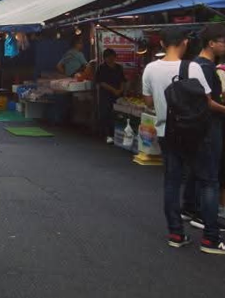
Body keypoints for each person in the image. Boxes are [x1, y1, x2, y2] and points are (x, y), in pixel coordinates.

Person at [142, 27, 225, 254]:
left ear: (161, 44)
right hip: (195, 134)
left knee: (172, 182)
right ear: (185, 43)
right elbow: (207, 102)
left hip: (166, 133)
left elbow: (148, 102)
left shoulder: (150, 69)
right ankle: (210, 239)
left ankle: (176, 234)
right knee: (208, 182)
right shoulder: (193, 67)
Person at [186, 24, 225, 232]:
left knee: (198, 170)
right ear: (211, 43)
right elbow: (208, 101)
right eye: (223, 42)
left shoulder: (195, 64)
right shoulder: (207, 68)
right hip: (210, 125)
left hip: (201, 126)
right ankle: (205, 218)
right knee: (211, 176)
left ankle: (191, 208)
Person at [96, 49, 126, 144]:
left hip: (117, 95)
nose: (111, 59)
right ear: (105, 58)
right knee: (106, 114)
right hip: (106, 95)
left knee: (117, 115)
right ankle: (106, 135)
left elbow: (122, 80)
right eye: (108, 57)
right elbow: (101, 82)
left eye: (113, 56)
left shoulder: (118, 67)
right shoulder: (101, 68)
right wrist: (114, 90)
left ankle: (116, 134)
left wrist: (120, 90)